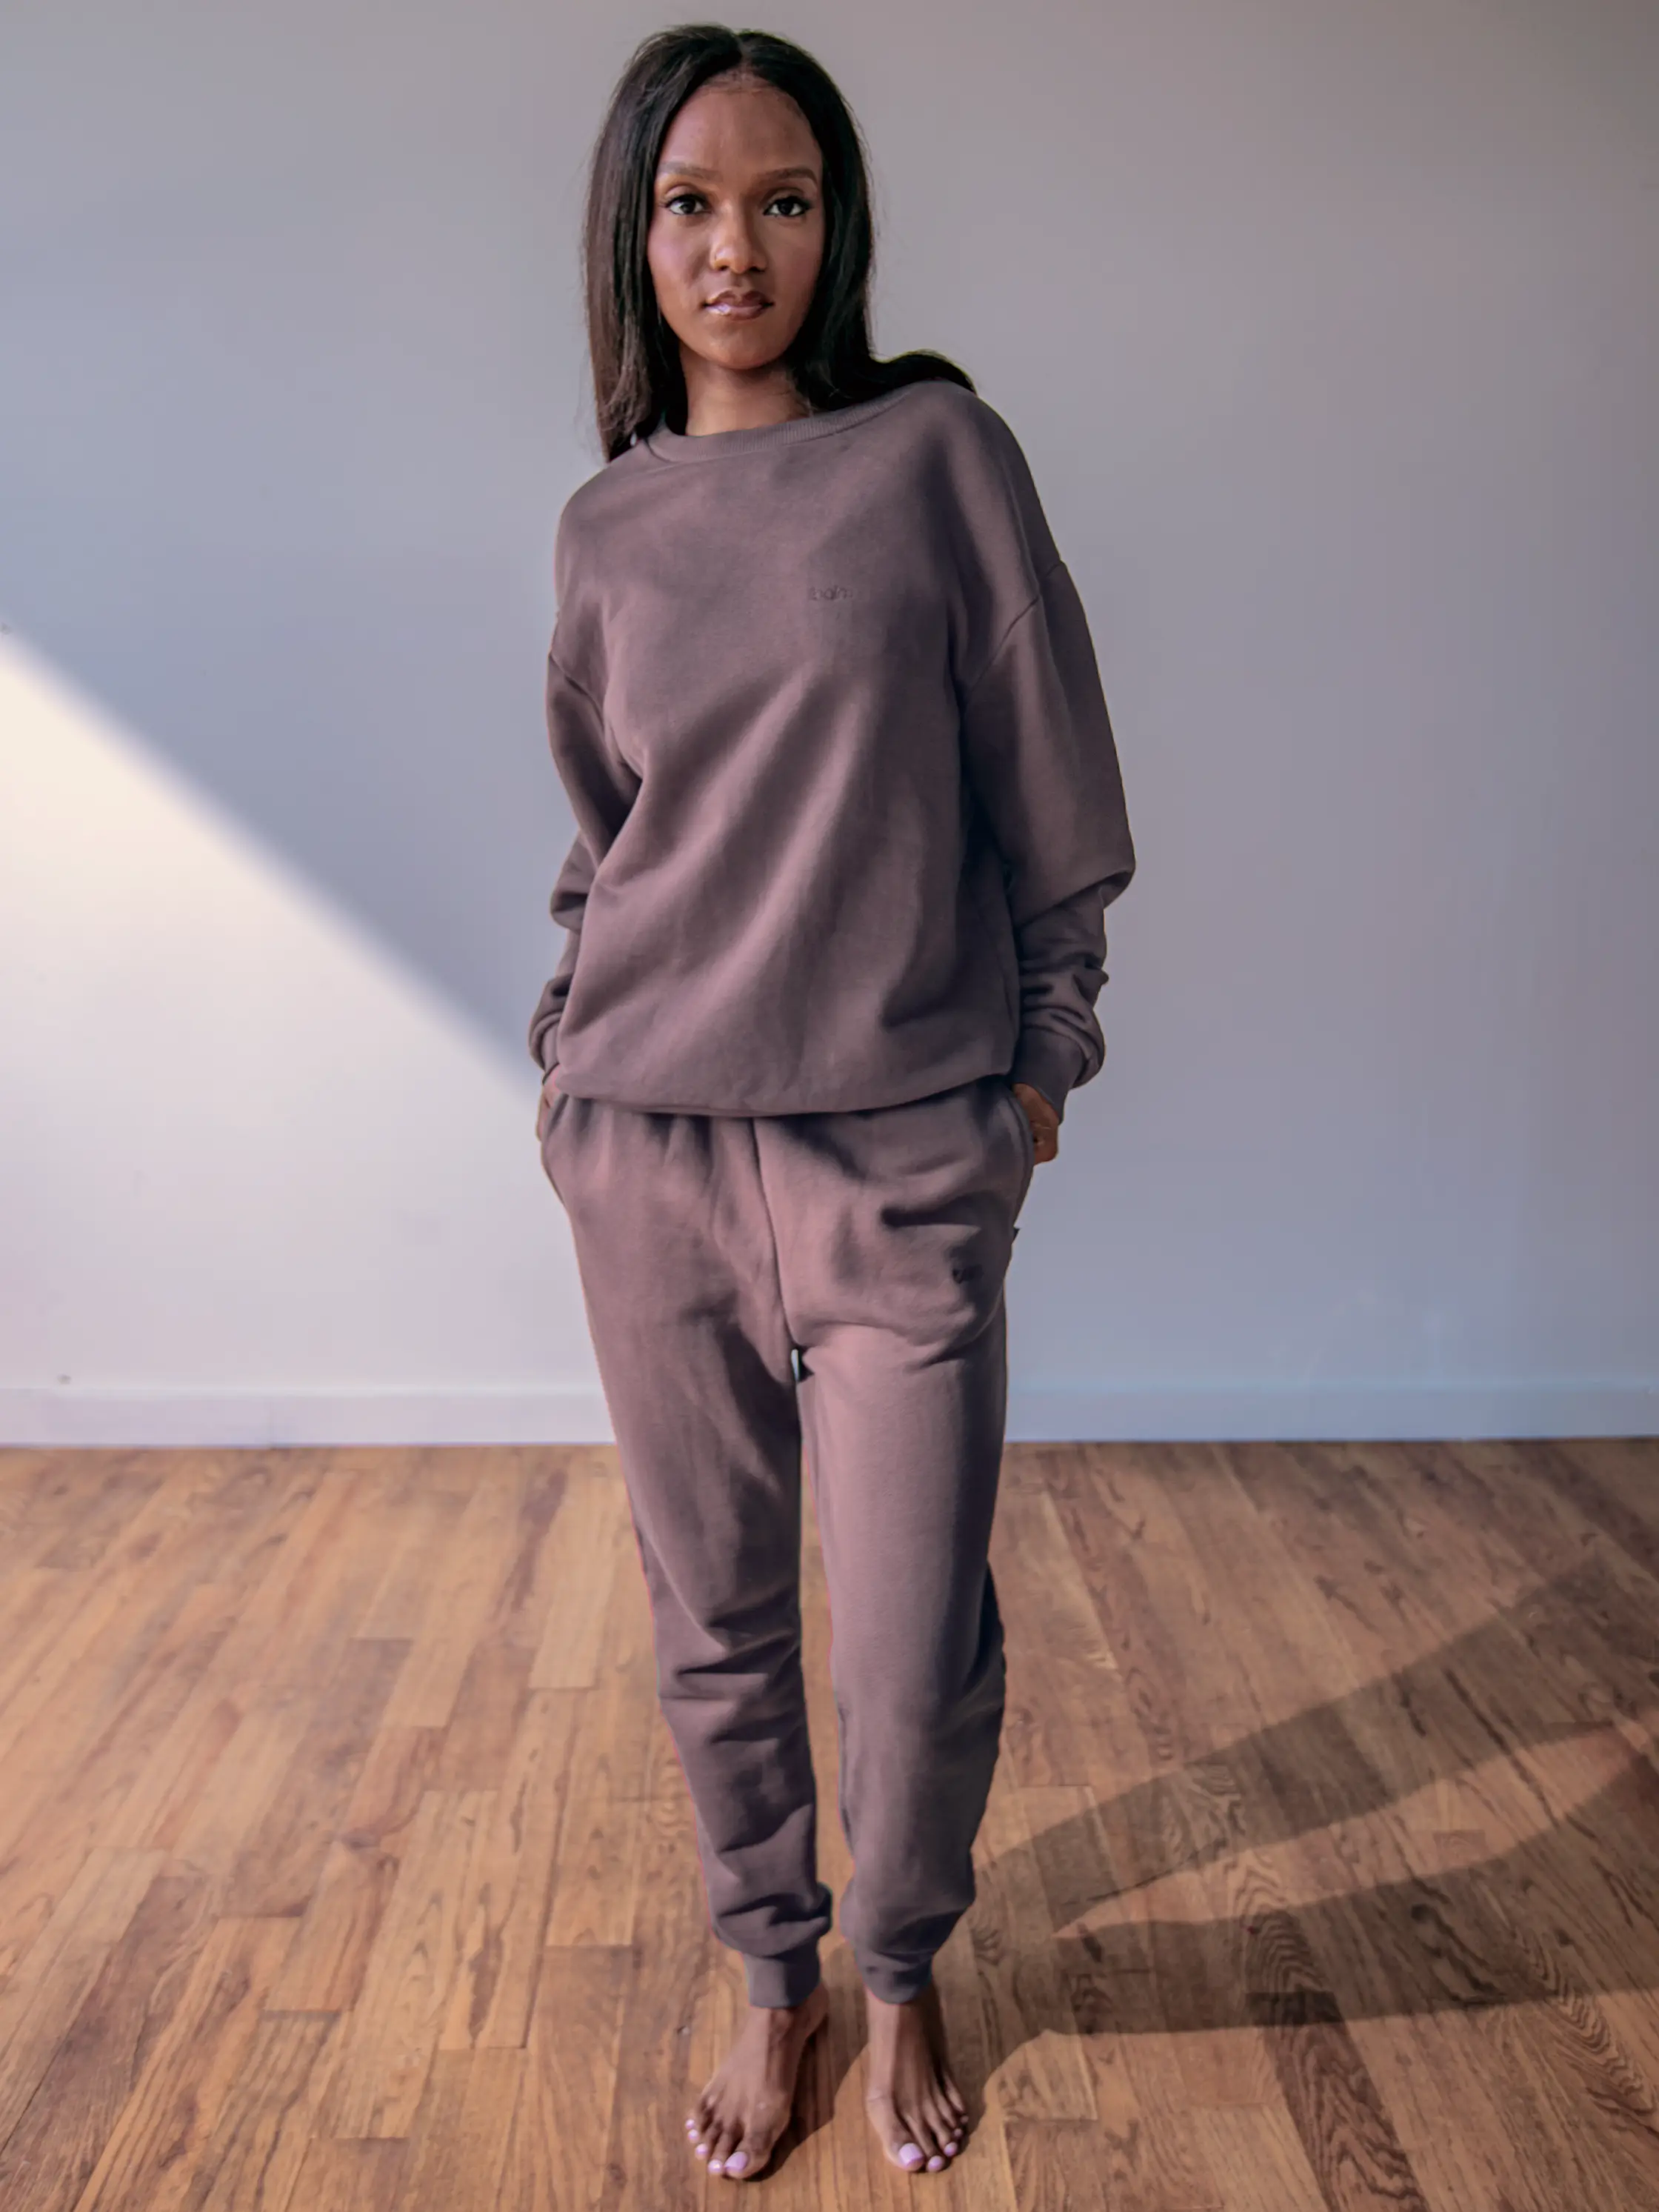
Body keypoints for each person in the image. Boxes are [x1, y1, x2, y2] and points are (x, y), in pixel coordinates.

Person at [527, 22, 1135, 2185]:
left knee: (909, 1643)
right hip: (651, 1152)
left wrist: (1036, 1078)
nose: (736, 248)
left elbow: (1055, 800)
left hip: (902, 1155)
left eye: (781, 202)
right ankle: (773, 1979)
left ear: (836, 227)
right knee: (713, 1619)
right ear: (634, 238)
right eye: (690, 205)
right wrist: (566, 1062)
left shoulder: (940, 460)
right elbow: (611, 839)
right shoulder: (607, 528)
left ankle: (902, 1964)